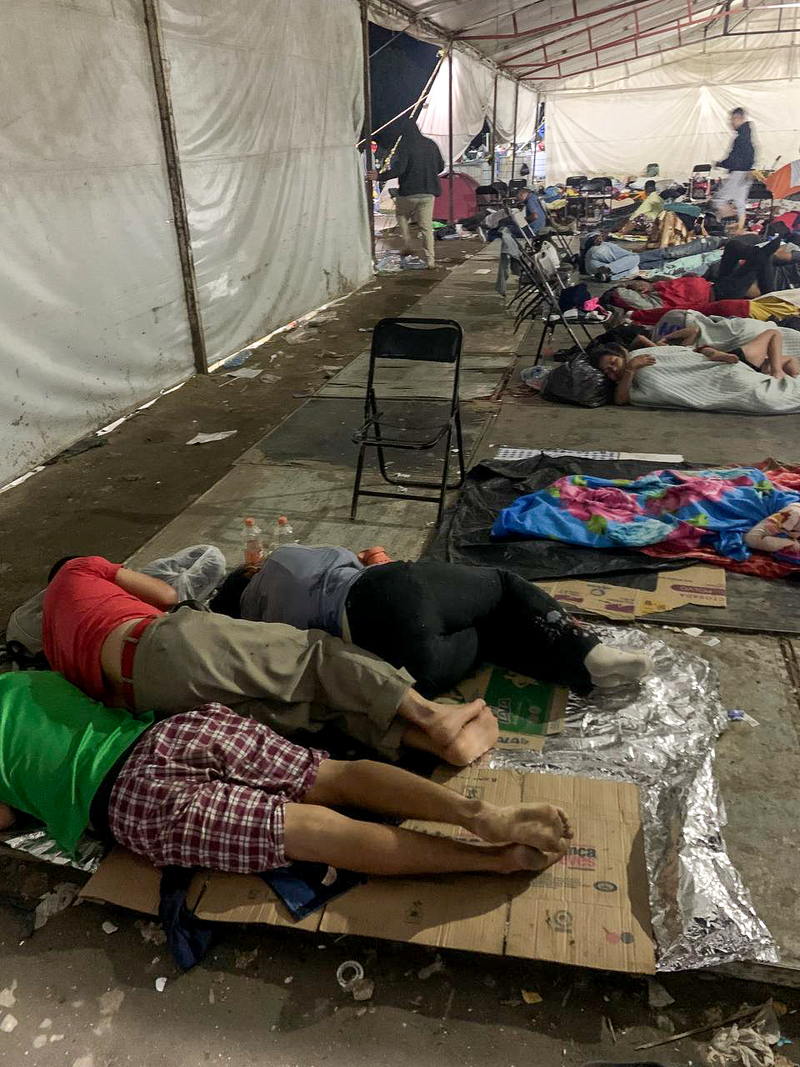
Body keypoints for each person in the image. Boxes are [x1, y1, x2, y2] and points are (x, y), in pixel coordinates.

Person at [0, 672, 572, 877]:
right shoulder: (27, 682)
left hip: (127, 801)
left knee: (311, 831)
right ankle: (481, 816)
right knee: (335, 774)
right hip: (169, 735)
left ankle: (491, 860)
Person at [41, 556, 498, 767]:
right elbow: (167, 595)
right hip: (160, 643)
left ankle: (429, 744)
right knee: (315, 659)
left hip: (149, 703)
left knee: (309, 710)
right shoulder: (77, 569)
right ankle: (431, 716)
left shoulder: (51, 641)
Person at [209, 548, 653, 697]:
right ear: (250, 573)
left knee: (490, 637)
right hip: (387, 592)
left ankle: (582, 676)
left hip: (400, 667)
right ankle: (588, 652)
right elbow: (353, 560)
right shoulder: (281, 562)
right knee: (500, 587)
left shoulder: (257, 633)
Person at [369, 118, 444, 269]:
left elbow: (399, 170)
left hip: (409, 192)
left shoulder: (405, 146)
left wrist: (379, 176)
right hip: (429, 193)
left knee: (401, 215)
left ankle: (407, 243)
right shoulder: (431, 144)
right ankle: (430, 260)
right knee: (426, 227)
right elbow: (441, 166)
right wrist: (428, 173)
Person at [713, 107, 756, 231]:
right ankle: (740, 229)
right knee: (740, 202)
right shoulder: (747, 135)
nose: (731, 123)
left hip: (738, 173)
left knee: (720, 200)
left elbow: (735, 158)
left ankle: (724, 226)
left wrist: (722, 164)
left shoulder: (741, 138)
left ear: (739, 118)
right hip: (746, 173)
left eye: (732, 120)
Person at [587, 344, 657, 405]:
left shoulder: (637, 356)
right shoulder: (625, 379)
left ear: (621, 356)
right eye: (608, 371)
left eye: (613, 362)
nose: (614, 369)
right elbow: (620, 400)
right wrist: (630, 369)